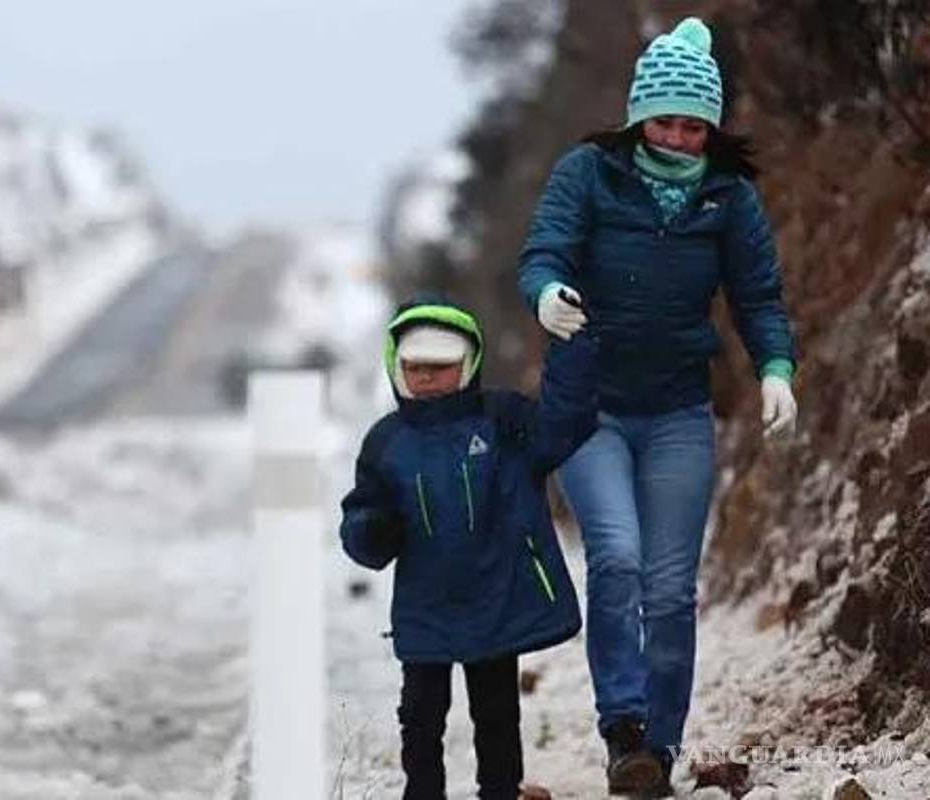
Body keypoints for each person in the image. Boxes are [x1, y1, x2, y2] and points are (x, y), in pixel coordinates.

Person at [517, 16, 799, 798]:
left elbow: (759, 296)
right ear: (640, 116)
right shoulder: (588, 174)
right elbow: (543, 251)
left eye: (693, 124)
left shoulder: (729, 198)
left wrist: (775, 367)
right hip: (589, 409)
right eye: (665, 120)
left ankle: (658, 752)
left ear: (710, 127)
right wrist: (546, 296)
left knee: (671, 587)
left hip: (678, 412)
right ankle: (623, 727)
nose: (677, 137)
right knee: (617, 557)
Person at [339, 295, 598, 800]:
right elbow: (361, 519)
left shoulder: (502, 419)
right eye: (415, 367)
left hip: (495, 600)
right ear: (397, 365)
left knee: (498, 714)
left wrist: (573, 346)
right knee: (419, 717)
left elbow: (565, 426)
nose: (426, 378)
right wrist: (371, 530)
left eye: (440, 366)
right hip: (424, 609)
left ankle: (500, 792)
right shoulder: (385, 442)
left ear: (469, 363)